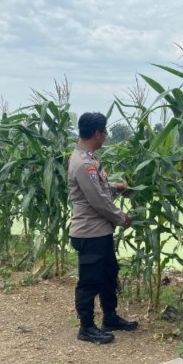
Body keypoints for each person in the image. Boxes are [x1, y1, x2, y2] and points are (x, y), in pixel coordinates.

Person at [68, 112, 139, 344]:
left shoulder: (88, 158)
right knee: (90, 281)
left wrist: (117, 187)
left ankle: (110, 316)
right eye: (105, 132)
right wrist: (121, 217)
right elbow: (97, 200)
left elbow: (99, 186)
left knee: (109, 275)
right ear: (97, 134)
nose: (106, 136)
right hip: (90, 232)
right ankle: (86, 327)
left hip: (101, 231)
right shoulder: (83, 163)